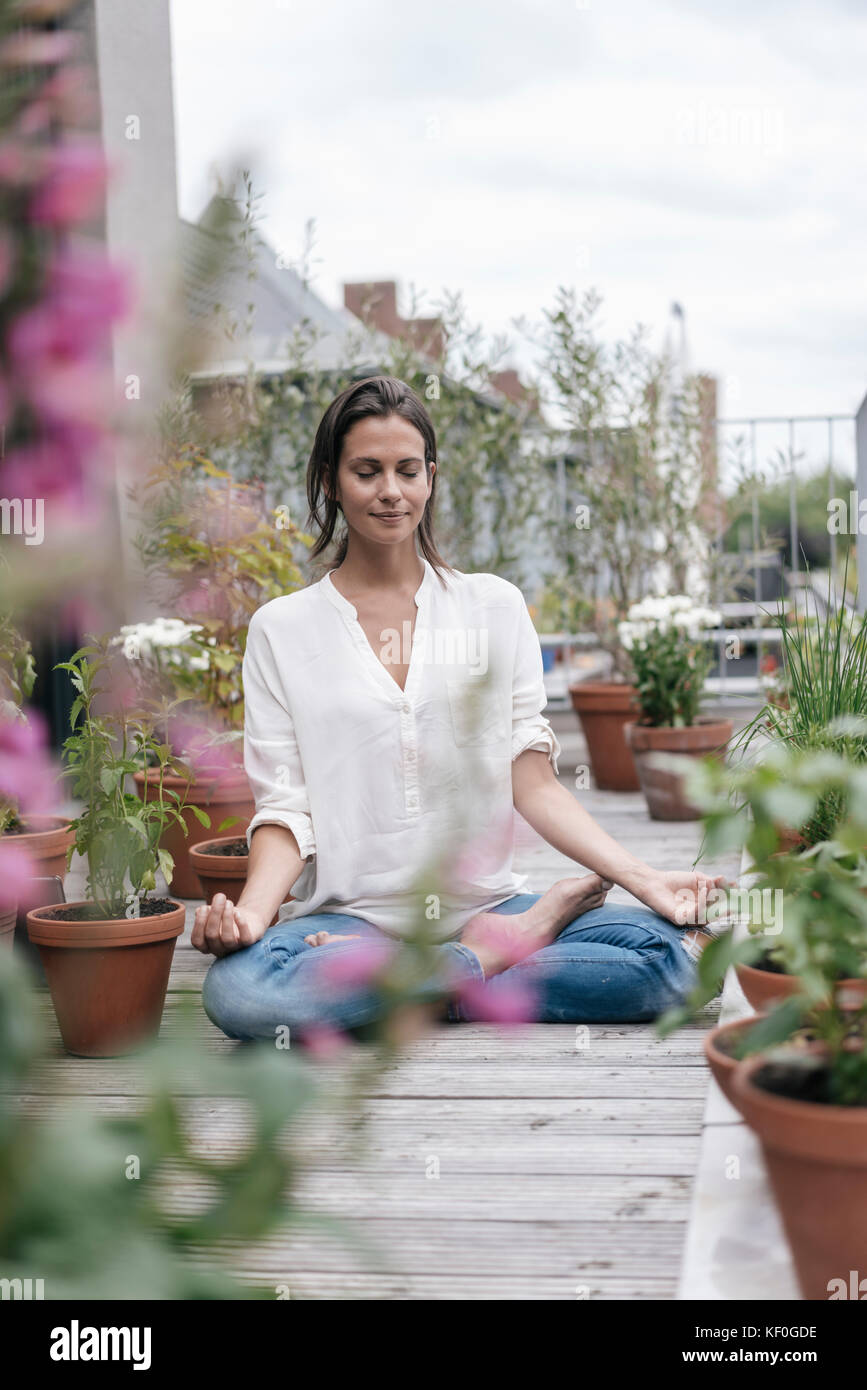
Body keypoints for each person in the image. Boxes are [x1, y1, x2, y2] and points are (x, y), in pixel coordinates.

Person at [197, 375, 722, 1040]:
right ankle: (492, 957)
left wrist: (643, 881)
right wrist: (249, 915)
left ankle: (398, 984)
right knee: (242, 994)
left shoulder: (492, 607)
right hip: (348, 921)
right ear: (331, 480)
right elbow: (285, 811)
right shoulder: (282, 628)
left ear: (429, 478)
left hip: (488, 902)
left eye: (406, 470)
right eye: (367, 471)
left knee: (680, 960)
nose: (390, 490)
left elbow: (531, 783)